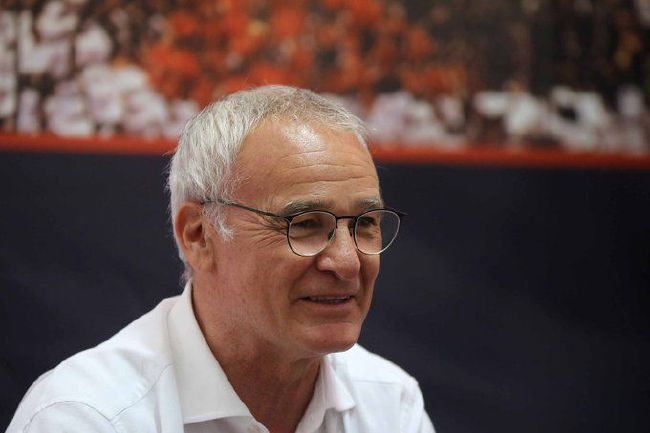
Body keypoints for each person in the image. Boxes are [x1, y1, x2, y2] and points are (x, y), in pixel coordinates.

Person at [7, 85, 435, 433]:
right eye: (304, 223)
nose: (347, 262)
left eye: (365, 223)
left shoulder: (390, 404)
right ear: (199, 235)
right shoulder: (88, 418)